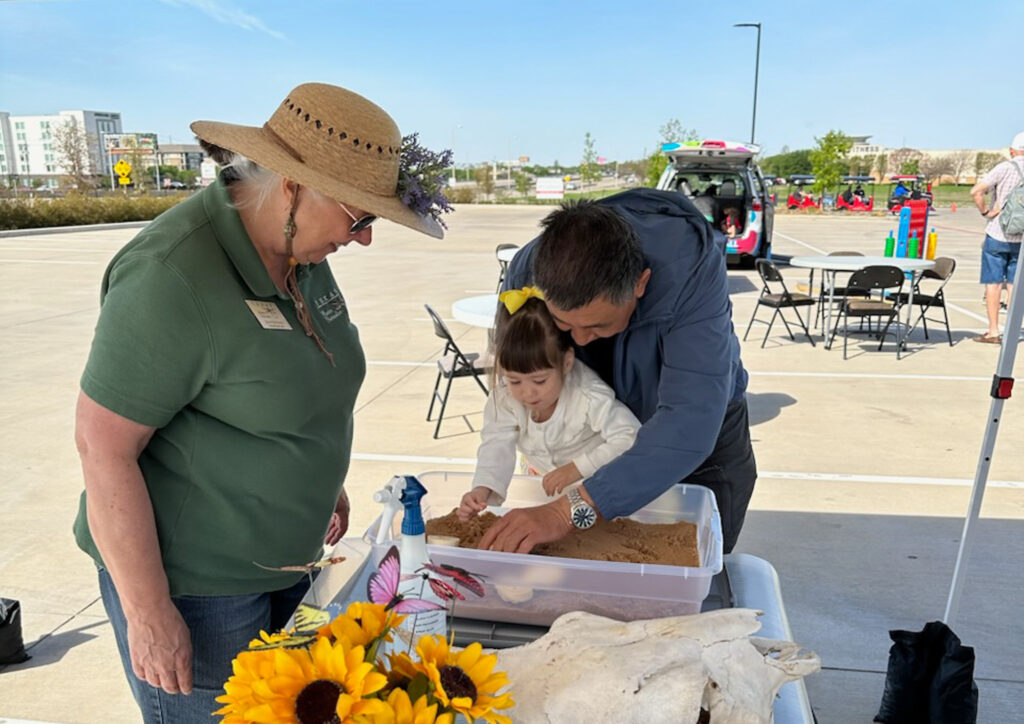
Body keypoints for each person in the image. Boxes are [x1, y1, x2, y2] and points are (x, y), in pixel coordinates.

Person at [73, 83, 446, 723]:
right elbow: (102, 448)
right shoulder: (172, 276)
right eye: (359, 218)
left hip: (290, 560)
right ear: (294, 186)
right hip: (198, 590)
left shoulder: (295, 250)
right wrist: (149, 612)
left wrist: (320, 482)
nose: (364, 240)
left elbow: (297, 381)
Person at [479, 190, 756, 556]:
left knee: (689, 571)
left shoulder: (690, 269)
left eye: (596, 327)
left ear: (640, 284)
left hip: (694, 445)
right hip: (594, 442)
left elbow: (689, 421)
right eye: (563, 324)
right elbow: (516, 375)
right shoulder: (528, 269)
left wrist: (568, 512)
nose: (577, 340)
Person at [459, 289, 640, 520]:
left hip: (594, 489)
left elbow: (630, 436)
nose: (527, 392)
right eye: (514, 380)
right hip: (540, 482)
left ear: (566, 362)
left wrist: (577, 468)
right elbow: (496, 444)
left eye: (540, 380)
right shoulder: (504, 396)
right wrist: (482, 490)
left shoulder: (587, 395)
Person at [970, 131, 1024, 344]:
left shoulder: (1005, 168)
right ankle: (1012, 331)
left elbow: (977, 191)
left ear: (1012, 151)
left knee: (993, 284)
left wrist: (986, 212)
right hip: (1020, 236)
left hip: (998, 232)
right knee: (1014, 284)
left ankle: (993, 330)